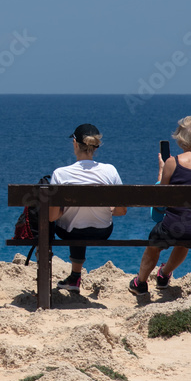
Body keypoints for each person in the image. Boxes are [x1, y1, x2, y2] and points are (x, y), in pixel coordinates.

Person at [129, 116, 191, 296]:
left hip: (176, 228)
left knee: (155, 242)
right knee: (185, 231)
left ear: (181, 137)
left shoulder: (173, 163)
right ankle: (163, 274)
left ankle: (140, 282)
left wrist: (162, 171)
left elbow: (160, 200)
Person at [48, 123, 126, 294]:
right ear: (95, 146)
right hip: (102, 231)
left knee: (71, 221)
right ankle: (75, 276)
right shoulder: (110, 171)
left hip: (70, 233)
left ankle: (71, 274)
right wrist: (110, 208)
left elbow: (52, 217)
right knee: (80, 219)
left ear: (75, 144)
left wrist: (63, 211)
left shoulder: (60, 174)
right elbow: (121, 211)